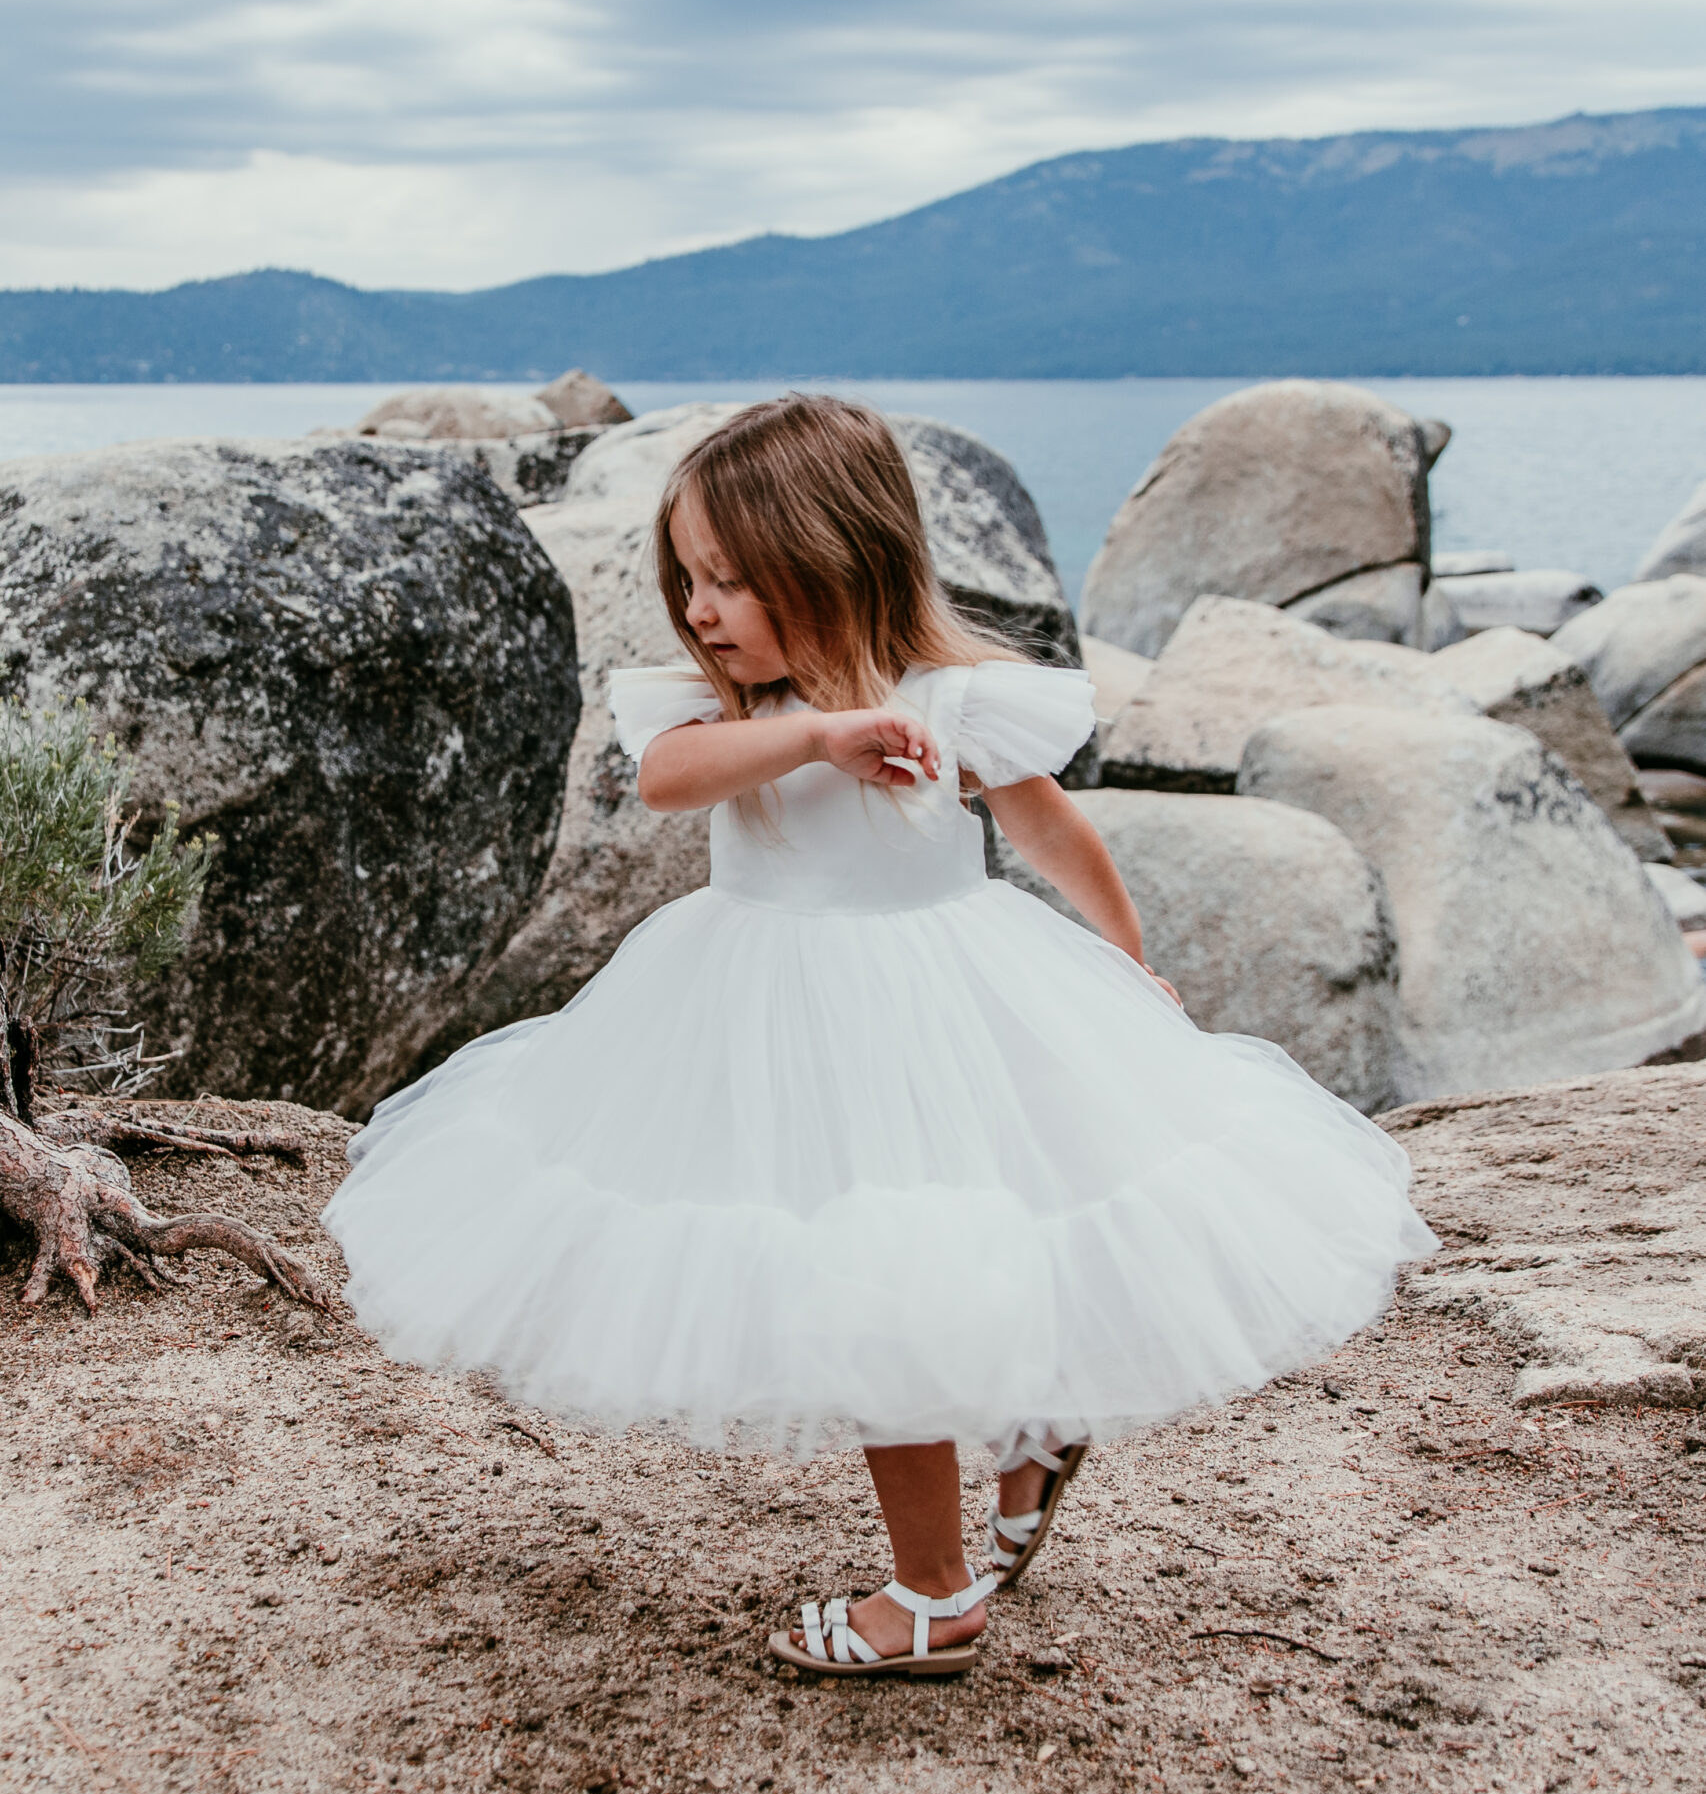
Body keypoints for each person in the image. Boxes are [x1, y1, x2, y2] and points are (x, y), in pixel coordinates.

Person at [325, 394, 1433, 1678]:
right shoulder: (717, 713)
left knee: (898, 1268)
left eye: (733, 580)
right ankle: (1030, 1427)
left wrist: (1127, 963)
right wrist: (815, 731)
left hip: (935, 1000)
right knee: (896, 1256)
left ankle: (930, 1596)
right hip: (752, 1011)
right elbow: (666, 781)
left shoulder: (952, 699)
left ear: (834, 557)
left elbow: (1050, 831)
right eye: (687, 577)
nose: (699, 607)